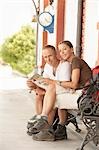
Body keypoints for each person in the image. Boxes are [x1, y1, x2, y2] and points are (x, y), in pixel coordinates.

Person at [32, 40, 92, 141]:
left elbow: (73, 84)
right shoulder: (72, 62)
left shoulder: (75, 61)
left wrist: (54, 82)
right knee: (51, 94)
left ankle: (46, 125)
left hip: (85, 96)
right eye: (60, 50)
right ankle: (52, 126)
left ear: (72, 49)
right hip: (83, 94)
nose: (62, 52)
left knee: (54, 96)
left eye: (65, 49)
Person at [27, 45, 71, 140]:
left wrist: (48, 85)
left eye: (50, 56)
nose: (48, 59)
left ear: (56, 54)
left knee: (50, 89)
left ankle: (44, 120)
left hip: (65, 89)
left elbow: (65, 84)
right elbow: (44, 82)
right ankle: (44, 127)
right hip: (53, 90)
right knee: (38, 94)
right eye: (45, 57)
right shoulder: (47, 66)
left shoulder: (64, 65)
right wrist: (34, 86)